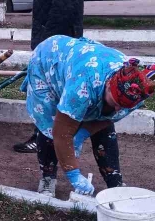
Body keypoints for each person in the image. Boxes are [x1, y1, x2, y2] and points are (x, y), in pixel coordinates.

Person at [23, 35, 155, 197]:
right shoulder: (83, 85)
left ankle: (115, 182)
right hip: (49, 60)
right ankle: (48, 178)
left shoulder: (135, 91)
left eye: (123, 106)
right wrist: (73, 174)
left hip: (84, 65)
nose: (119, 108)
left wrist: (82, 134)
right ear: (108, 84)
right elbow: (61, 133)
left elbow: (108, 118)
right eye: (115, 102)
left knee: (104, 124)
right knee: (50, 125)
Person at [14, 0, 84, 153]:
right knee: (46, 92)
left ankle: (46, 138)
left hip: (59, 45)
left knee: (49, 93)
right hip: (50, 42)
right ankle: (47, 137)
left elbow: (64, 7)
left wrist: (46, 43)